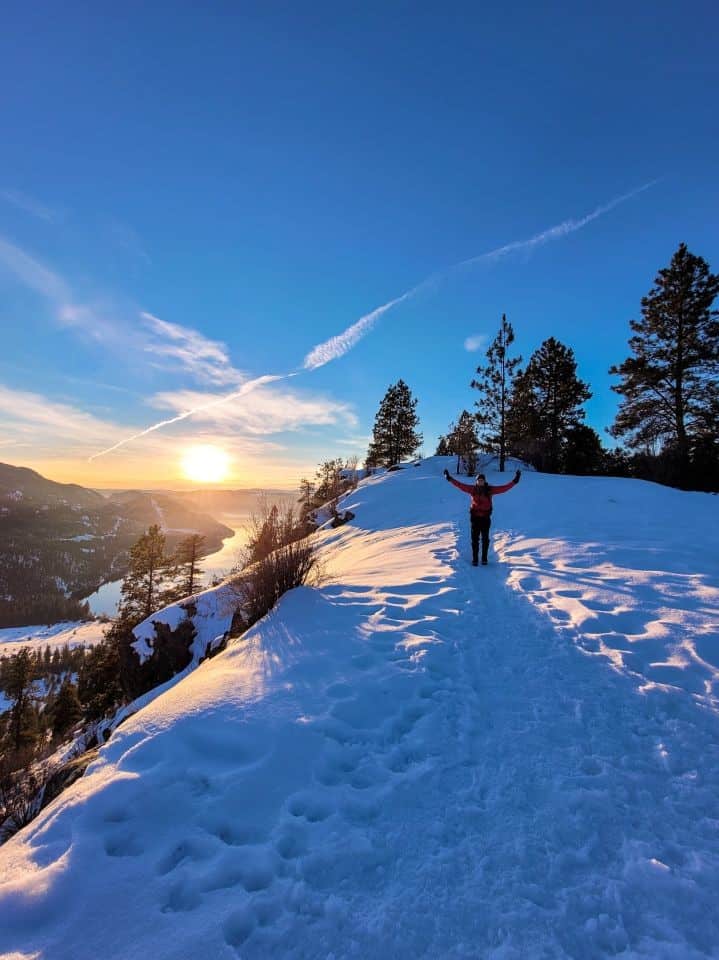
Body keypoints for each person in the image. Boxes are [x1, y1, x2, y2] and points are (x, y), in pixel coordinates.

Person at [444, 467, 521, 566]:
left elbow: (503, 488)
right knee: (475, 539)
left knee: (485, 538)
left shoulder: (490, 490)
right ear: (476, 481)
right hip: (475, 518)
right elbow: (460, 485)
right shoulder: (472, 489)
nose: (480, 482)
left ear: (484, 481)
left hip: (485, 518)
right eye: (478, 480)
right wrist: (449, 478)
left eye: (482, 480)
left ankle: (484, 558)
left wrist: (515, 481)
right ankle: (475, 559)